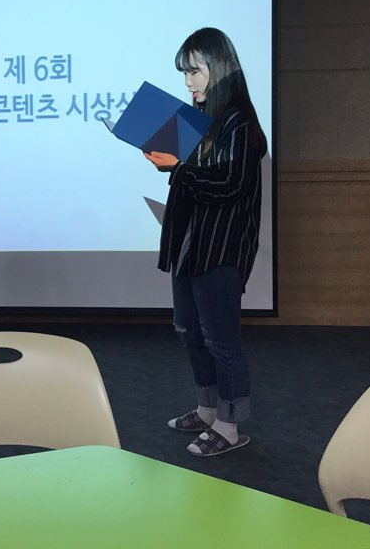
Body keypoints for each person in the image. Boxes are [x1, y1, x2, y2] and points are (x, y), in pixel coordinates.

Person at [144, 27, 266, 457]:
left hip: (220, 248)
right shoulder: (200, 120)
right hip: (189, 246)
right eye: (185, 73)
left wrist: (177, 168)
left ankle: (230, 426)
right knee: (189, 331)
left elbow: (228, 185)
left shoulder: (239, 122)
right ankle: (208, 409)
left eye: (194, 71)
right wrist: (171, 163)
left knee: (221, 339)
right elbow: (195, 176)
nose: (188, 82)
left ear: (219, 67)